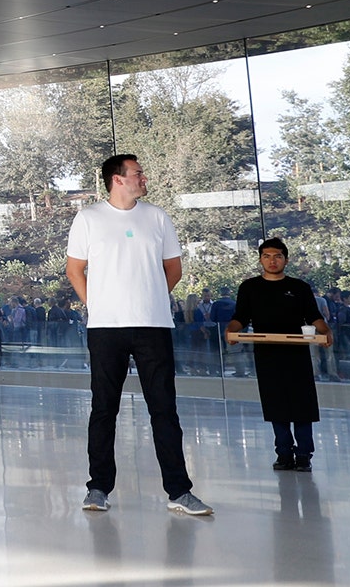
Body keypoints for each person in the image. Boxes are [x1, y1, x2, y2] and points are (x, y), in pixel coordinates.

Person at [66, 154, 212, 516]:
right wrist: (96, 305)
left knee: (164, 409)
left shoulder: (157, 217)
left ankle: (179, 492)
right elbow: (75, 270)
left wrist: (148, 298)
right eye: (137, 173)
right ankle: (97, 488)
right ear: (117, 179)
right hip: (105, 328)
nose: (143, 178)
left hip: (153, 326)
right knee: (103, 409)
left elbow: (173, 268)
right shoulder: (88, 218)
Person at [225, 238, 329, 471]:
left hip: (297, 353)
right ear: (260, 259)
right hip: (267, 353)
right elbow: (241, 316)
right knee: (275, 402)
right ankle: (283, 453)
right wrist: (231, 329)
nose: (272, 261)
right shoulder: (249, 287)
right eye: (267, 256)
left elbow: (313, 315)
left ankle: (304, 454)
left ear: (286, 259)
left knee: (302, 403)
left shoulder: (300, 287)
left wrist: (325, 331)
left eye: (278, 256)